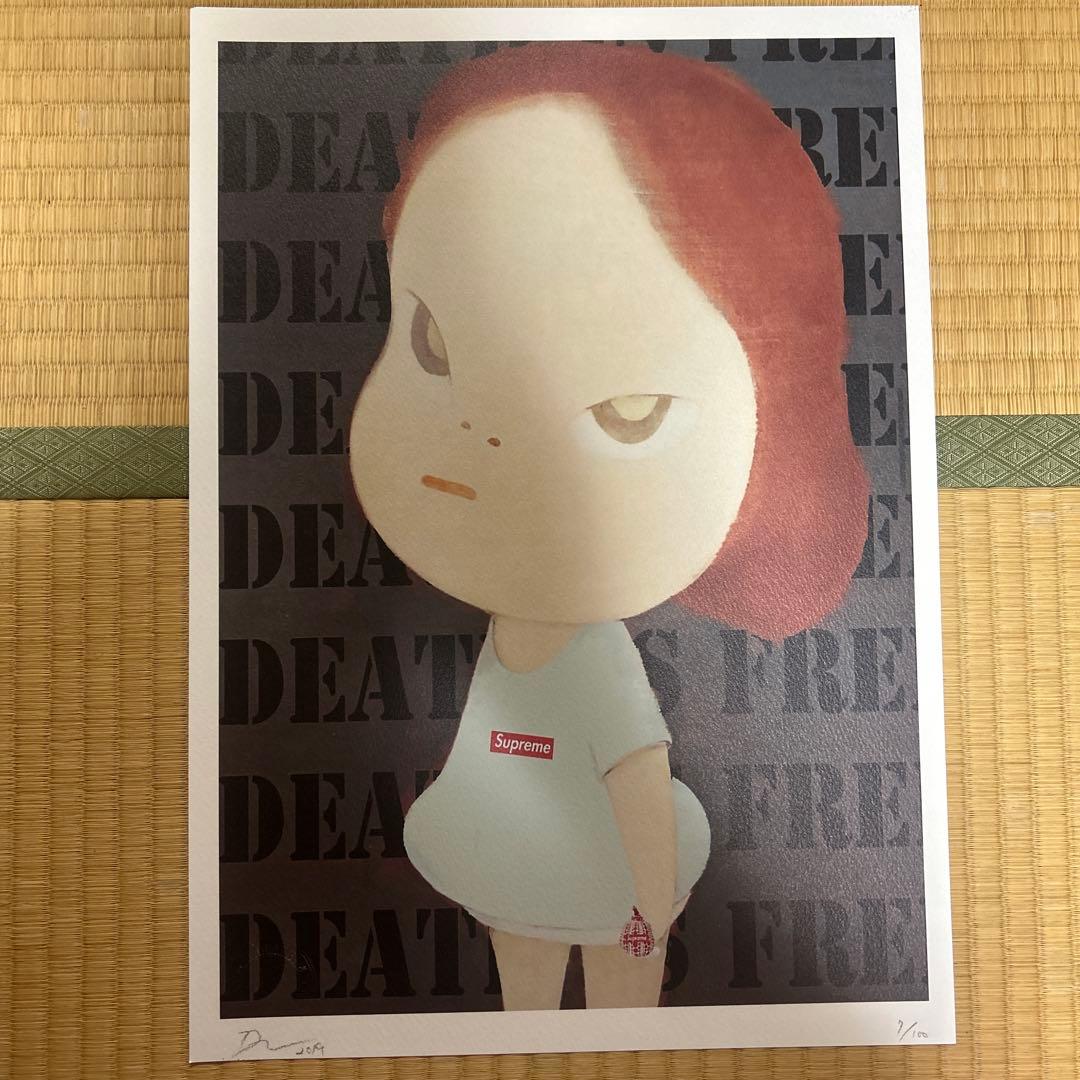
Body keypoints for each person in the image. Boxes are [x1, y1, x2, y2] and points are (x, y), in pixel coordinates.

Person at [349, 42, 868, 1010]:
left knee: (622, 1010)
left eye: (629, 413)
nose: (485, 435)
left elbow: (636, 778)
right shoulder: (512, 632)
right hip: (524, 857)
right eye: (430, 342)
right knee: (528, 1004)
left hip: (606, 875)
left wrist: (648, 901)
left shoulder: (595, 656)